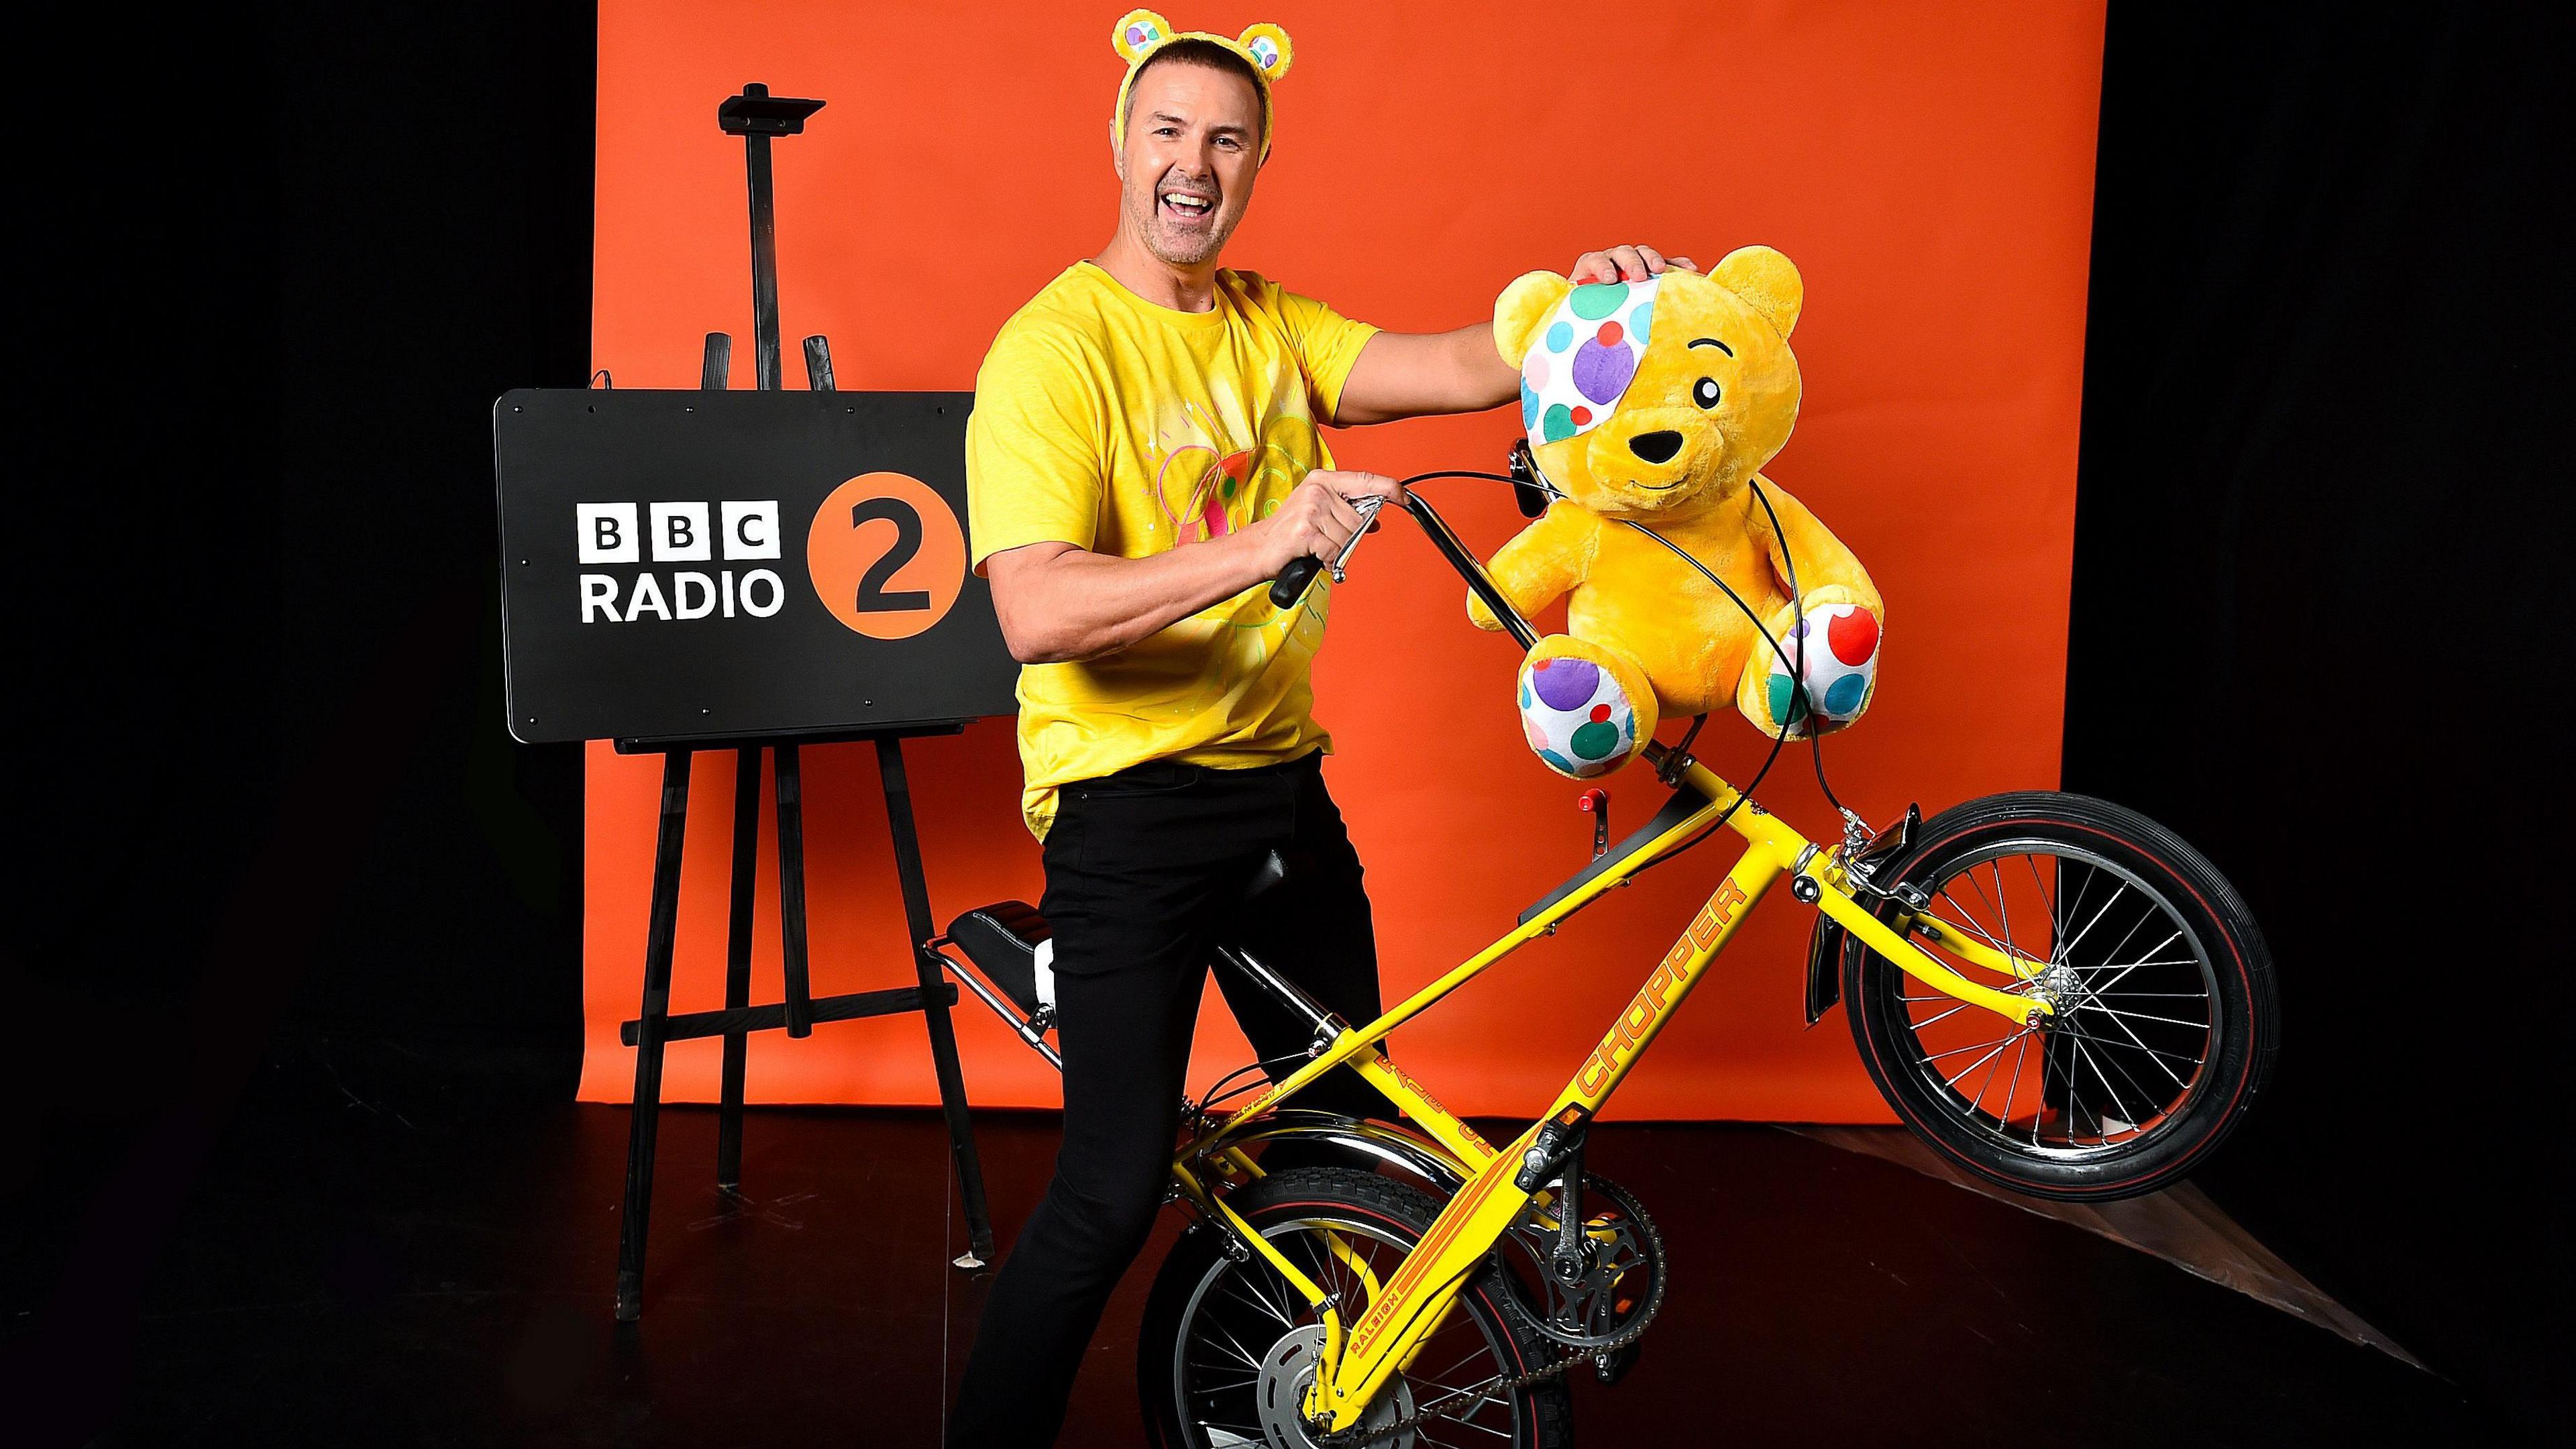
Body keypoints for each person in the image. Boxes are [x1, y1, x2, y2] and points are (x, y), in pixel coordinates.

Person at [950, 15, 1695, 1444]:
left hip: (1279, 802)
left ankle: (1263, 1408)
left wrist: (1593, 313)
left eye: (1226, 139)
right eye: (1167, 130)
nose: (1194, 162)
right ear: (1119, 146)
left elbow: (1465, 363)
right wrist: (1270, 536)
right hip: (1128, 816)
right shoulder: (1051, 353)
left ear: (1257, 164)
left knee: (1338, 1147)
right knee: (1109, 1196)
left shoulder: (1267, 323)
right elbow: (1036, 613)